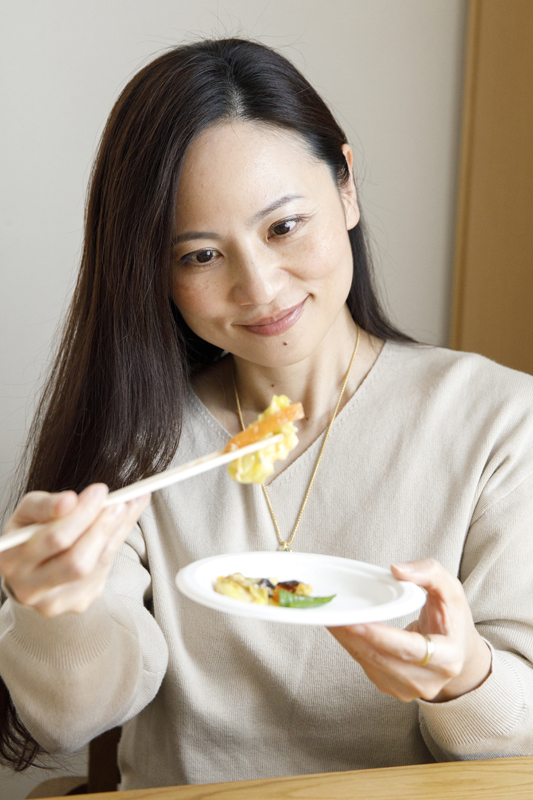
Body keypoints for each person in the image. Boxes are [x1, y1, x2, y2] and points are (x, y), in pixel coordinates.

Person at [1, 38, 533, 789]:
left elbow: (521, 730)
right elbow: (72, 716)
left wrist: (463, 677)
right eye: (198, 256)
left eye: (284, 227)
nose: (259, 288)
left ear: (345, 187)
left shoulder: (500, 422)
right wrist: (55, 609)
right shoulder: (140, 438)